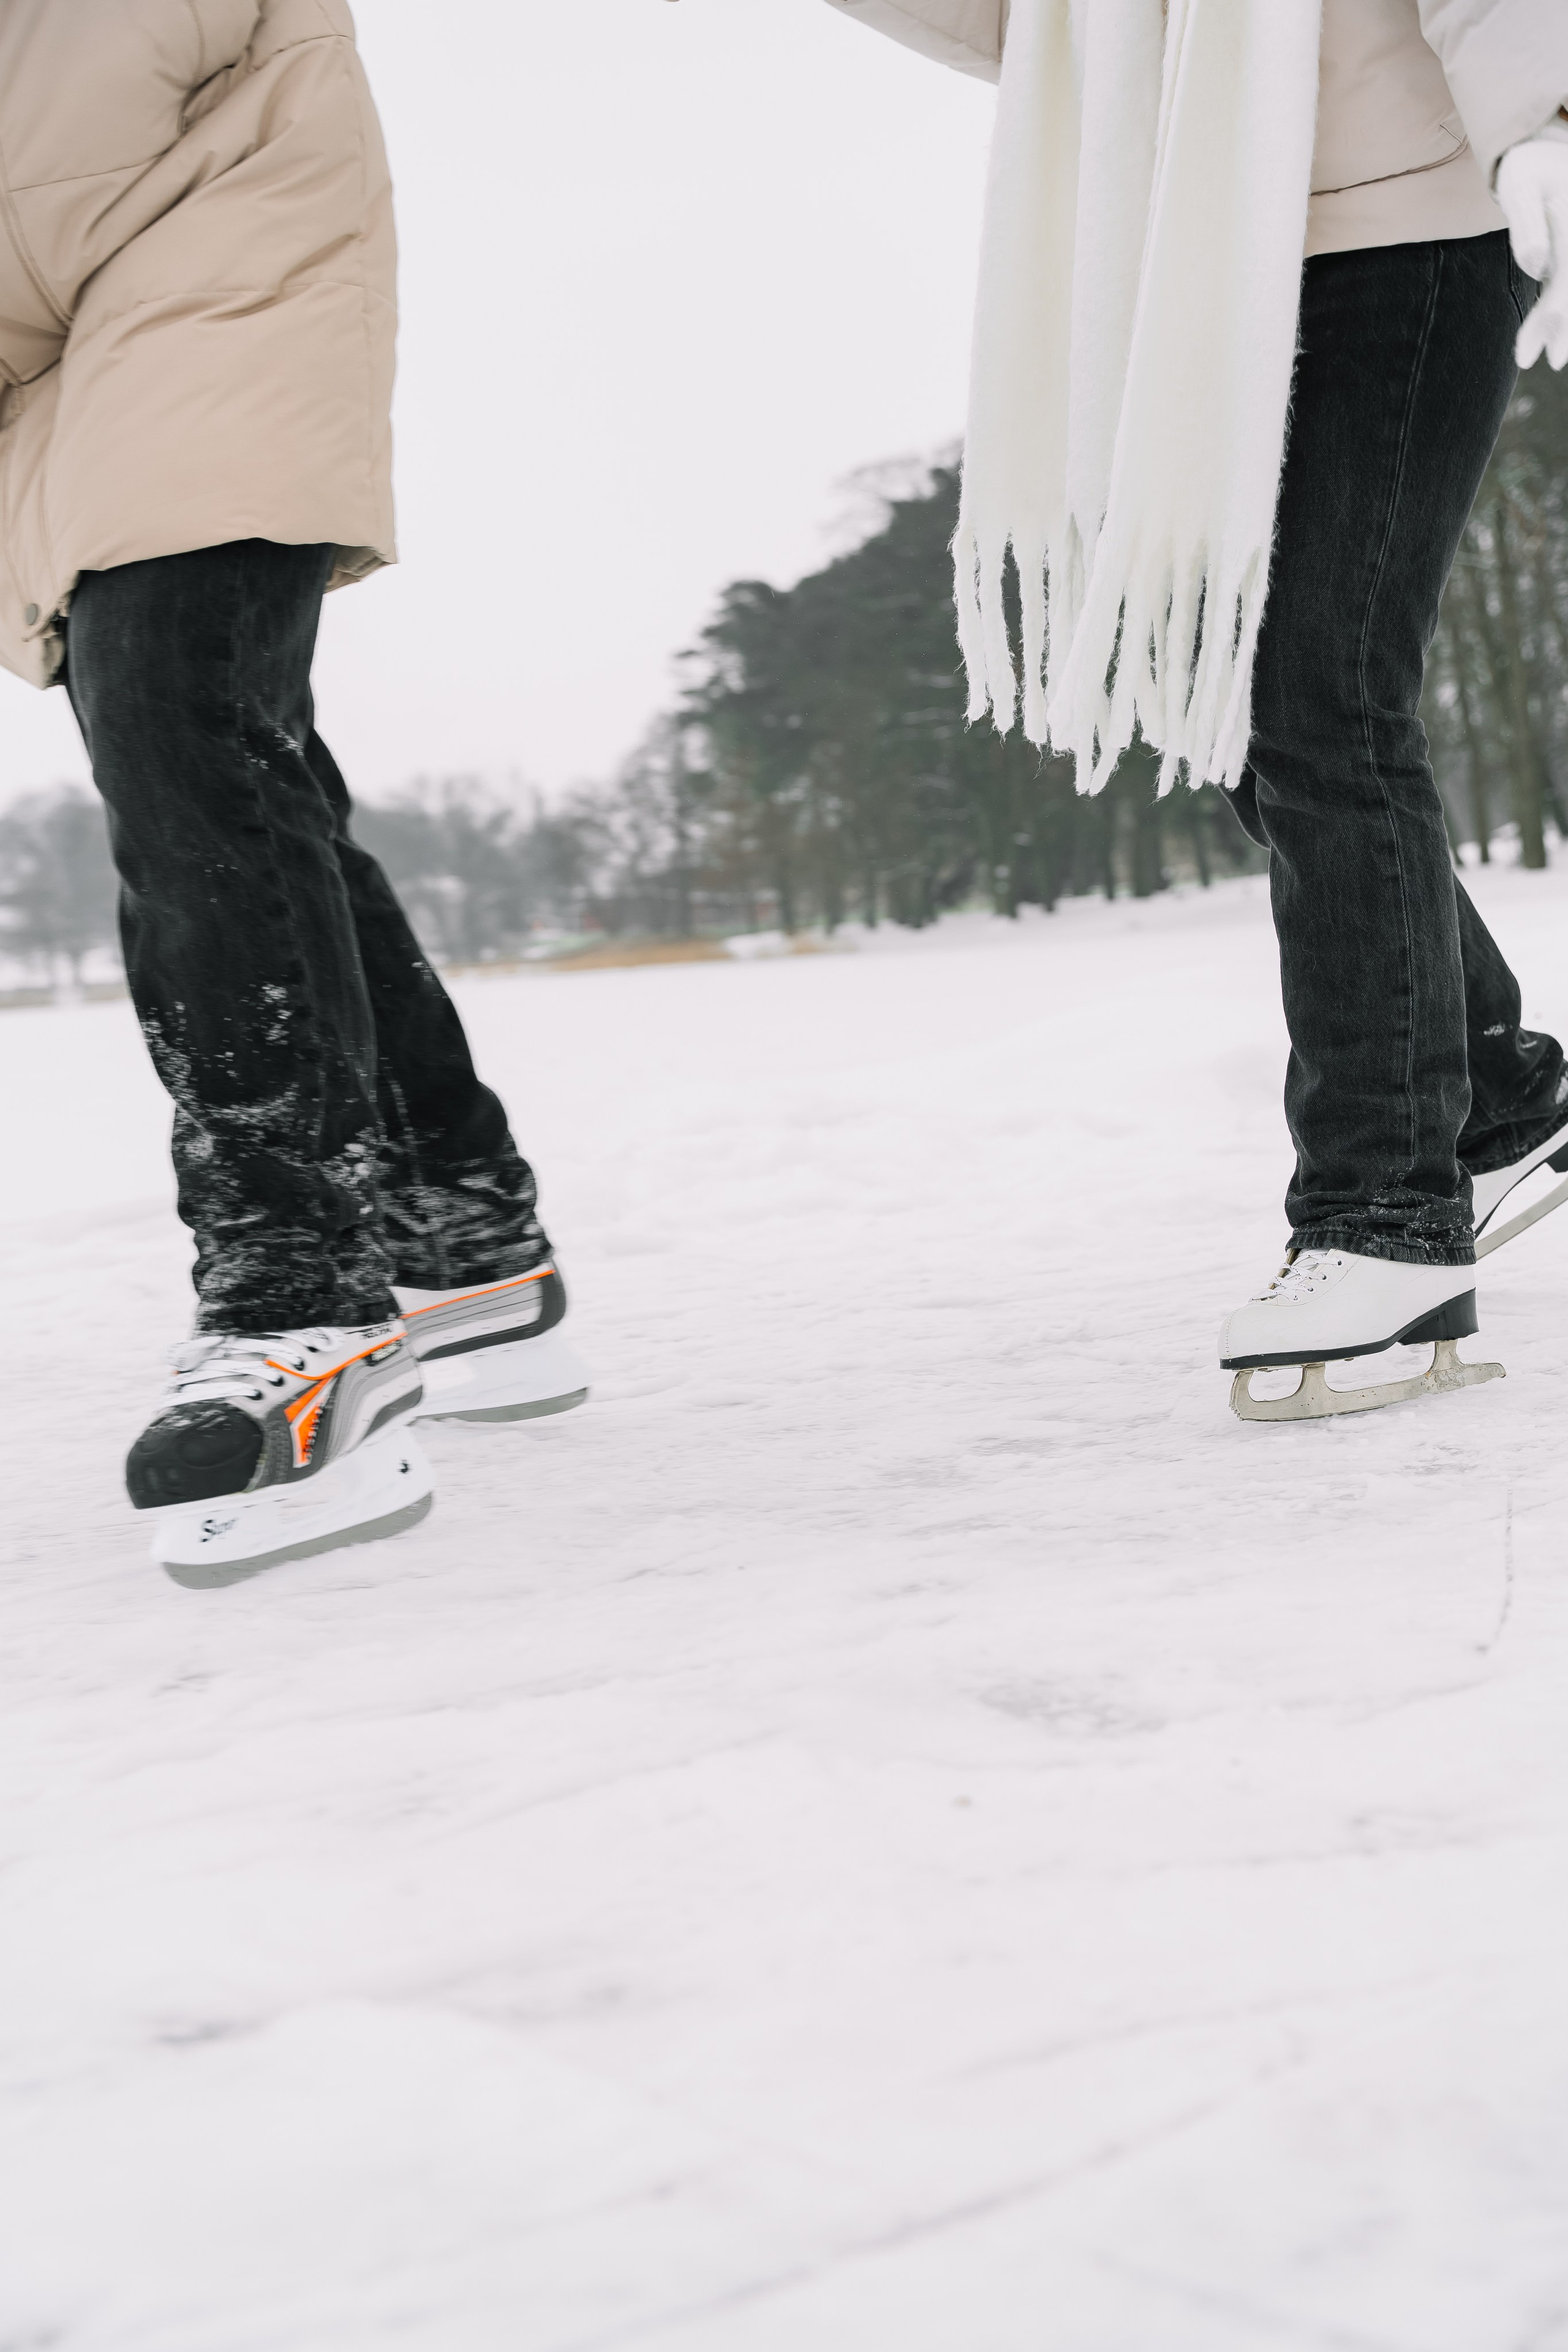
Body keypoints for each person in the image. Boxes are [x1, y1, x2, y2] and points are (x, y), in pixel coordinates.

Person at [826, 0, 1568, 1419]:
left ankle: (1381, 1216)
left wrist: (1540, 117)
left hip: (1408, 218)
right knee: (1239, 699)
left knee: (1322, 694)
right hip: (1186, 252)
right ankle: (1483, 1082)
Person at [0, 0, 587, 1581]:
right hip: (68, 327)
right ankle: (462, 1217)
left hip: (217, 236)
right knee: (240, 763)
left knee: (182, 721)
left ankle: (301, 1305)